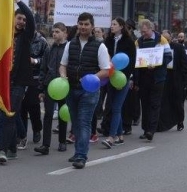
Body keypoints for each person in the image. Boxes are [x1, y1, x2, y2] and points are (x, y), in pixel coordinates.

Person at [59, 12, 110, 168]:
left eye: (86, 24)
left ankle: (81, 155)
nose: (83, 27)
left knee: (84, 122)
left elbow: (106, 70)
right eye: (80, 23)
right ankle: (77, 152)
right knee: (75, 122)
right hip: (71, 88)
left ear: (92, 26)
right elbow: (63, 65)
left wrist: (91, 78)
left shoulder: (100, 46)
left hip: (89, 91)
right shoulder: (70, 44)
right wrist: (63, 76)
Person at [0, 0, 35, 164]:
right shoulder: (5, 36)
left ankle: (2, 149)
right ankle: (12, 148)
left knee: (9, 114)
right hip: (3, 80)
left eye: (24, 20)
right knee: (4, 114)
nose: (22, 21)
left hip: (19, 82)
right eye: (19, 18)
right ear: (13, 18)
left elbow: (31, 18)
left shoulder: (27, 35)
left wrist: (18, 0)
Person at [99, 18, 136, 147]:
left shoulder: (129, 42)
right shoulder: (108, 41)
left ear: (121, 26)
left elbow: (131, 62)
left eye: (115, 24)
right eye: (111, 24)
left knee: (116, 107)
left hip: (122, 78)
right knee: (113, 106)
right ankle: (120, 136)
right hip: (110, 76)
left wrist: (126, 77)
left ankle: (111, 137)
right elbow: (104, 57)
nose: (112, 26)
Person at [133, 19, 172, 141]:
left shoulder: (162, 40)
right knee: (144, 104)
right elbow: (136, 59)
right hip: (144, 78)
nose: (143, 34)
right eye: (141, 31)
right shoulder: (138, 42)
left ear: (151, 28)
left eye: (145, 31)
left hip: (158, 77)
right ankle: (145, 129)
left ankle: (151, 130)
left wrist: (157, 64)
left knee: (155, 104)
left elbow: (168, 56)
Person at [35, 22, 69, 154]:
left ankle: (62, 141)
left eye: (57, 32)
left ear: (64, 33)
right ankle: (45, 145)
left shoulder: (68, 48)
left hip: (64, 86)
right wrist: (41, 89)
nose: (54, 34)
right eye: (53, 32)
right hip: (50, 86)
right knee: (48, 115)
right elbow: (43, 69)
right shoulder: (50, 49)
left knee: (63, 114)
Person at [159, 31, 187, 131]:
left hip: (176, 80)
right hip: (164, 79)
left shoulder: (178, 48)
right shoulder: (159, 48)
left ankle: (180, 121)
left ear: (171, 38)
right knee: (164, 103)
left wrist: (185, 81)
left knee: (178, 102)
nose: (165, 41)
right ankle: (164, 123)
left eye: (167, 39)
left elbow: (185, 65)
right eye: (163, 39)